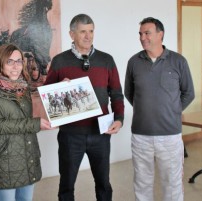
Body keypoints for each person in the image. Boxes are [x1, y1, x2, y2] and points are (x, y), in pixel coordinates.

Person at [44, 14, 125, 201]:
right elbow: (46, 93)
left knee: (104, 183)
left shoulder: (107, 60)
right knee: (66, 184)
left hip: (101, 133)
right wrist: (59, 88)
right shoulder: (59, 61)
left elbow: (116, 94)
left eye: (91, 31)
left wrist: (119, 119)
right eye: (83, 32)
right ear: (72, 34)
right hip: (70, 135)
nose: (88, 36)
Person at [124, 17, 195, 201]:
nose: (142, 37)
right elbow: (129, 93)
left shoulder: (178, 61)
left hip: (170, 136)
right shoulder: (134, 62)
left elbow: (189, 93)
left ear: (160, 34)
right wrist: (146, 108)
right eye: (140, 34)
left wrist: (171, 111)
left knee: (172, 184)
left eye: (147, 33)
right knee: (142, 183)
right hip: (141, 136)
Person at [0, 44, 54, 201]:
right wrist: (35, 124)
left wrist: (64, 87)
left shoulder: (23, 86)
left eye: (19, 61)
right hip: (5, 160)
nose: (16, 66)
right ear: (0, 63)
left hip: (27, 154)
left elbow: (45, 93)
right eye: (10, 61)